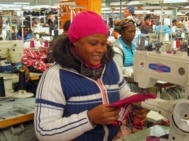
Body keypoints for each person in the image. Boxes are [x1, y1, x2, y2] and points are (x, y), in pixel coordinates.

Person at [34, 11, 149, 141]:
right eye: (93, 43)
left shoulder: (111, 66)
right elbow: (44, 131)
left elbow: (124, 95)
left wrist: (138, 103)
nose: (100, 49)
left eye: (103, 43)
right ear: (75, 41)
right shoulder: (56, 75)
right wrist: (89, 118)